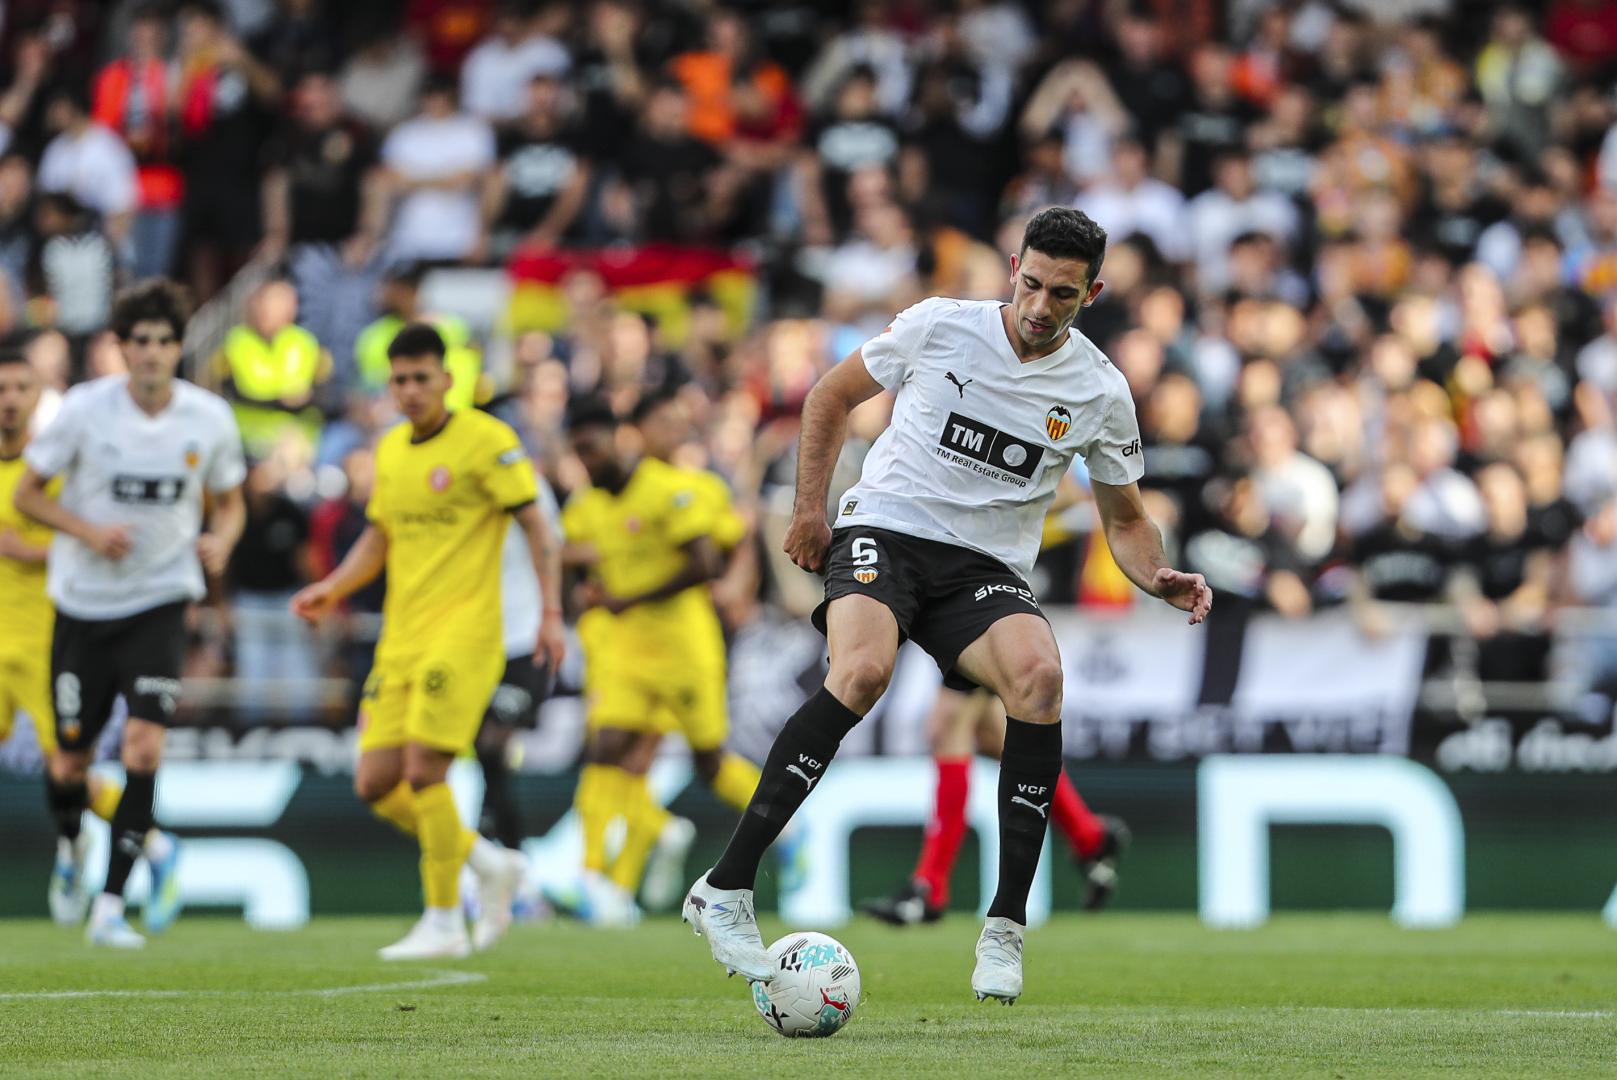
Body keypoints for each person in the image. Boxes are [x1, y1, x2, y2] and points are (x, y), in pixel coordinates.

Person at [681, 207, 1211, 1004]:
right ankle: (724, 887)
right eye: (1030, 284)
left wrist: (1157, 575)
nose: (1038, 307)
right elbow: (829, 397)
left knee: (1037, 678)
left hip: (980, 570)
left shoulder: (1098, 389)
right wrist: (808, 510)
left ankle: (1003, 927)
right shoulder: (938, 326)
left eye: (1060, 295)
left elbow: (1125, 519)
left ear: (1090, 293)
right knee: (861, 672)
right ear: (1011, 267)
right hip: (885, 530)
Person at [289, 322, 566, 960]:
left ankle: (444, 920)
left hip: (466, 633)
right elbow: (380, 537)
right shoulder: (390, 451)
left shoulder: (486, 441)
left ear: (447, 377)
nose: (411, 390)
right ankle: (488, 863)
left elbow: (538, 527)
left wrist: (550, 612)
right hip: (402, 636)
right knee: (375, 782)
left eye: (422, 377)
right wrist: (332, 586)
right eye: (400, 380)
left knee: (424, 772)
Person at [13, 280, 247, 949]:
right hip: (83, 606)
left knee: (144, 748)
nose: (151, 353)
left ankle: (112, 907)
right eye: (138, 341)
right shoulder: (85, 410)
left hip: (161, 602)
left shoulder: (209, 419)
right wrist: (85, 532)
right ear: (120, 347)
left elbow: (230, 503)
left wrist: (221, 541)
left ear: (179, 347)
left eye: (163, 341)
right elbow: (29, 495)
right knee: (69, 766)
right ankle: (71, 847)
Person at [552, 394, 757, 925]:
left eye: (593, 449)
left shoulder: (676, 491)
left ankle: (786, 827)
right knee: (609, 748)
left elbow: (710, 560)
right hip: (622, 650)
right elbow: (575, 560)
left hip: (684, 648)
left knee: (709, 762)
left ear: (620, 439)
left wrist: (735, 587)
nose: (588, 463)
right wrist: (583, 590)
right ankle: (595, 877)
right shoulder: (584, 506)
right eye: (579, 454)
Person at [858, 684, 1129, 925]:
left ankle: (930, 885)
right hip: (974, 632)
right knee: (996, 737)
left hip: (975, 629)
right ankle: (1090, 836)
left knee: (949, 724)